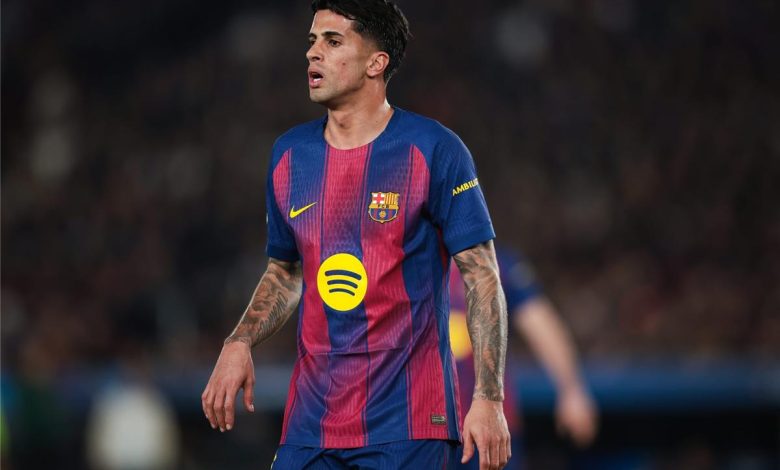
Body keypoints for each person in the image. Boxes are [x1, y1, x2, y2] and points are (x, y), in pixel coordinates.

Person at [201, 1, 511, 469]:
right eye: (312, 41)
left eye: (333, 41)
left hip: (409, 425)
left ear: (375, 62)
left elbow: (482, 276)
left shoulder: (435, 150)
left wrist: (488, 398)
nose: (313, 53)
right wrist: (239, 340)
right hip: (311, 426)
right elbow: (285, 271)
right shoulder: (289, 155)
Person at [449, 248, 598, 469]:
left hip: (488, 424)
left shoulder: (498, 265)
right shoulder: (407, 262)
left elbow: (539, 323)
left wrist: (571, 389)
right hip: (424, 426)